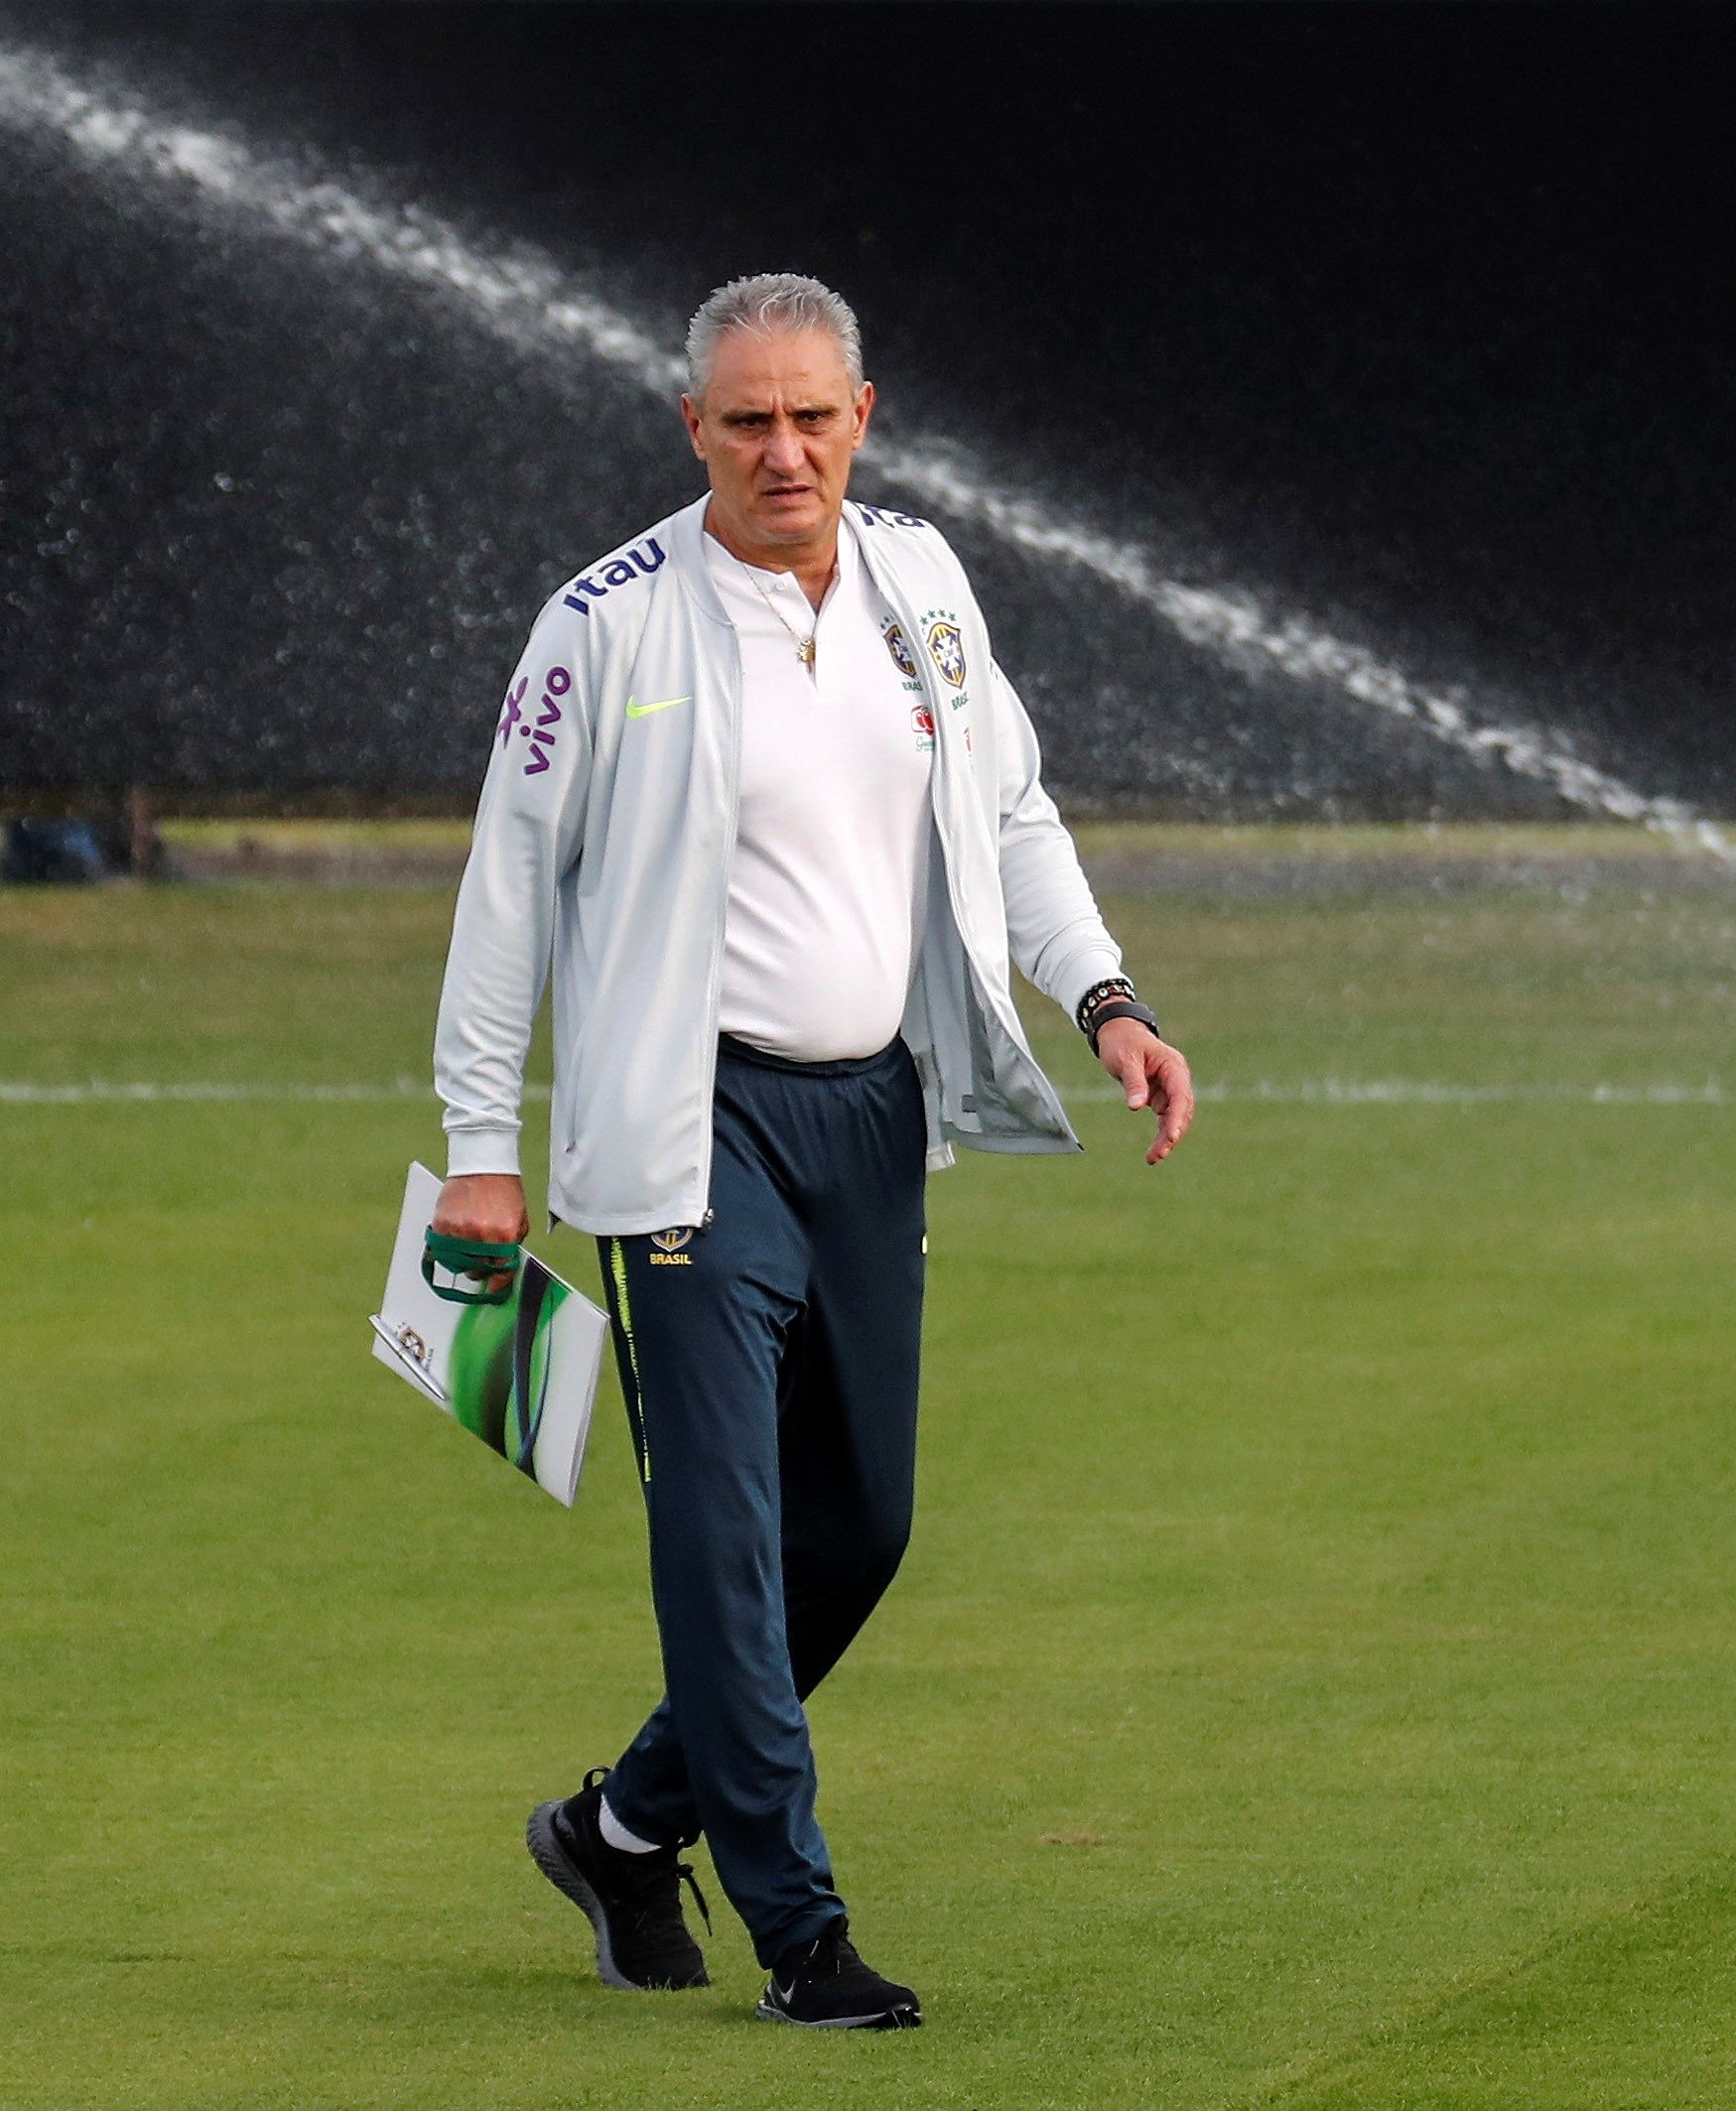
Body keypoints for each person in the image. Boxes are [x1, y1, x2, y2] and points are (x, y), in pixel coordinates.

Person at [427, 272, 1193, 2030]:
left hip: (872, 1113)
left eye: (811, 416)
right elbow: (505, 887)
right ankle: (800, 1933)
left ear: (864, 418)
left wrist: (1104, 997)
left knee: (859, 1535)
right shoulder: (604, 623)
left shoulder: (922, 579)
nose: (783, 450)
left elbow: (1010, 808)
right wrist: (480, 1142)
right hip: (689, 1125)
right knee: (726, 1542)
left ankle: (622, 1829)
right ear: (690, 427)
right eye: (747, 420)